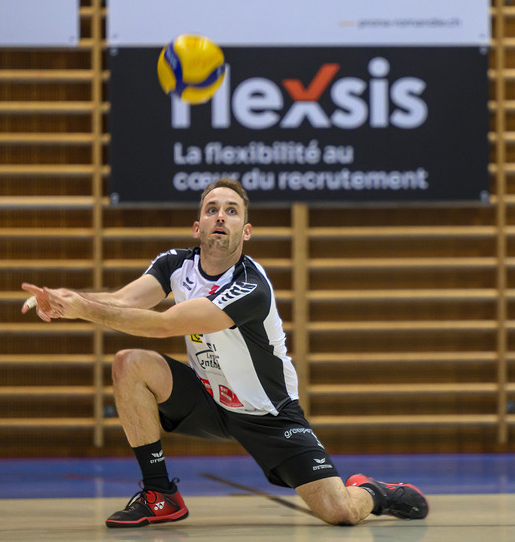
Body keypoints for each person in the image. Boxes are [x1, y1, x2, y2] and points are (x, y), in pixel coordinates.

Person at [22, 179, 429, 528]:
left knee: (340, 512)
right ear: (197, 226)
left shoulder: (251, 286)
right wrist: (67, 299)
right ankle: (159, 494)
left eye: (231, 211)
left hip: (268, 414)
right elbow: (125, 300)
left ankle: (373, 491)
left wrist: (82, 309)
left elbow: (166, 325)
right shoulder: (175, 265)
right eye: (212, 209)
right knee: (130, 363)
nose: (221, 216)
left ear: (245, 231)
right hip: (208, 398)